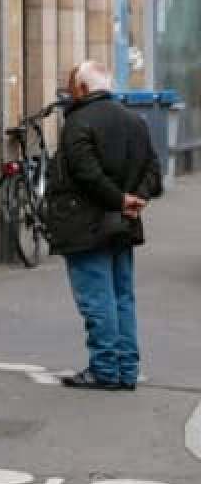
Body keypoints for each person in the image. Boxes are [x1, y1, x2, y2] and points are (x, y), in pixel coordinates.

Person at [46, 60, 163, 391]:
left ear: (83, 88)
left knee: (97, 299)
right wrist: (136, 199)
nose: (70, 92)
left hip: (86, 224)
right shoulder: (135, 121)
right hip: (124, 224)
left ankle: (106, 369)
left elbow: (86, 172)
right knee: (122, 297)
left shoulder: (78, 122)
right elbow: (153, 170)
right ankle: (126, 369)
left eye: (72, 86)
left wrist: (119, 199)